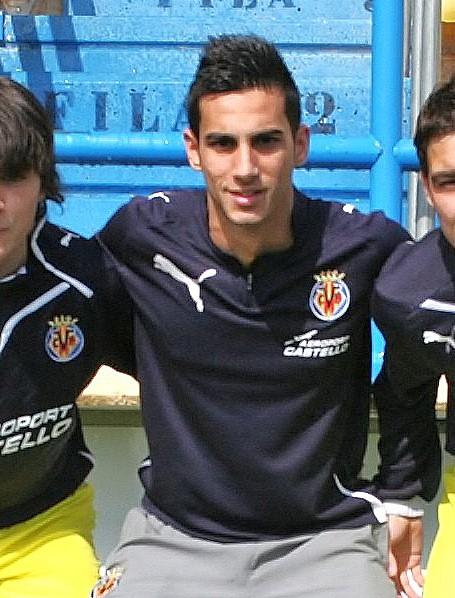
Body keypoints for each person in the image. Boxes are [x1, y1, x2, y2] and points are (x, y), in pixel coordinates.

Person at [91, 34, 432, 598]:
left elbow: (418, 348)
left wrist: (400, 490)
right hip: (172, 539)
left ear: (300, 144)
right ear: (193, 149)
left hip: (325, 542)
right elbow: (74, 309)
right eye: (223, 143)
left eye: (266, 142)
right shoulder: (142, 235)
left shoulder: (363, 247)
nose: (245, 167)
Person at [0, 77, 134, 597]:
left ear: (43, 182)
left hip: (42, 531)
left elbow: (180, 378)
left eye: (12, 177)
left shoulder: (86, 279)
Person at [372, 74, 455, 598]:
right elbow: (405, 390)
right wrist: (401, 495)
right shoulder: (411, 292)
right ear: (426, 187)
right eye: (451, 182)